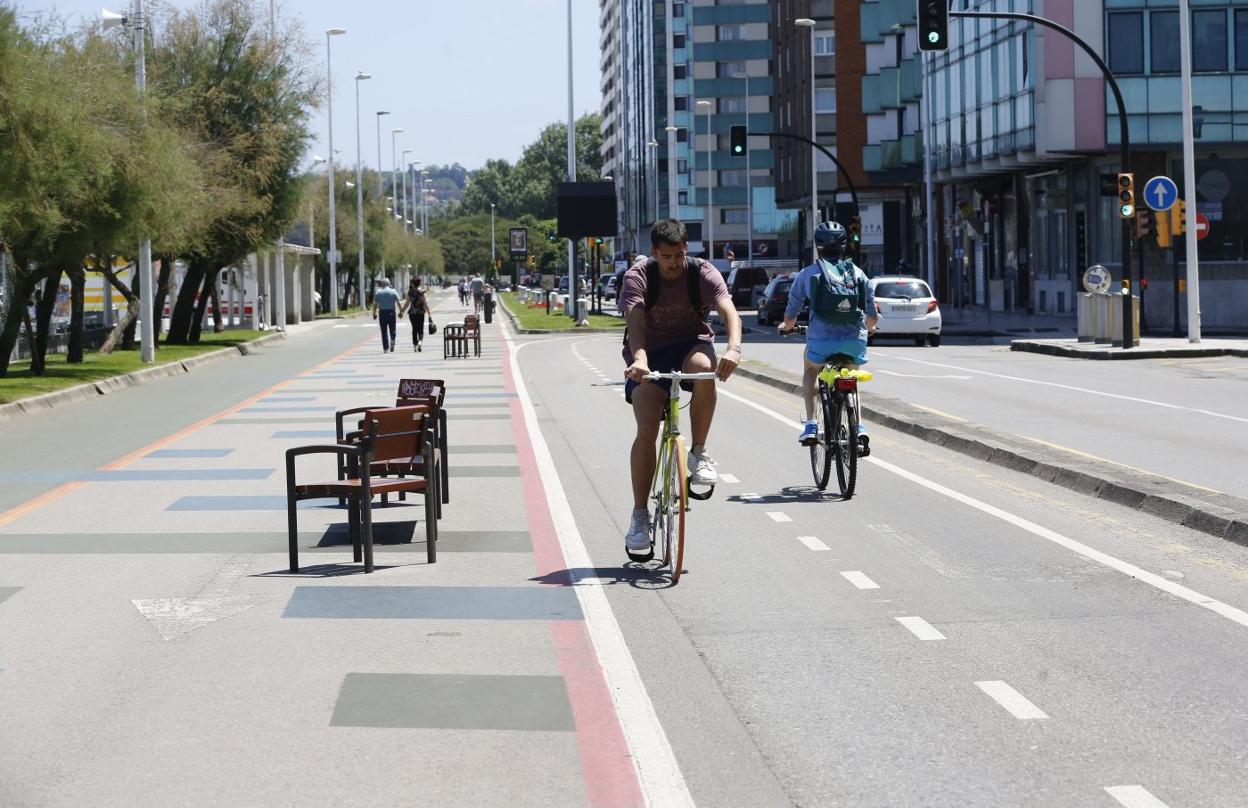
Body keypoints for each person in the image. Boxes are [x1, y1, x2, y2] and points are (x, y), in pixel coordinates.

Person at [620, 219, 743, 559]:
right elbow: (636, 321)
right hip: (649, 352)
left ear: (686, 249)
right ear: (654, 253)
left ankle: (698, 452)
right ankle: (640, 516)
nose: (673, 263)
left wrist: (733, 349)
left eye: (678, 255)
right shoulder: (639, 276)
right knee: (647, 429)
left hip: (691, 345)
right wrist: (640, 359)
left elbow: (729, 311)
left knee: (705, 370)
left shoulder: (702, 272)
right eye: (666, 257)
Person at [779, 222, 878, 453]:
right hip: (854, 342)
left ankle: (811, 424)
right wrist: (871, 328)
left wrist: (787, 326)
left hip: (820, 342)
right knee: (851, 376)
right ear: (844, 245)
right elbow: (872, 317)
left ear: (817, 246)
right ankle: (859, 426)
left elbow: (792, 312)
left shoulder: (808, 274)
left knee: (810, 369)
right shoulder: (858, 273)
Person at [401, 277, 432, 352]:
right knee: (420, 328)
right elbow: (425, 304)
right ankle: (420, 342)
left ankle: (415, 345)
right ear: (419, 283)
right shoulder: (422, 292)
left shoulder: (410, 292)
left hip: (412, 313)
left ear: (413, 283)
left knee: (414, 329)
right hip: (420, 313)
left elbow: (407, 303)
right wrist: (429, 314)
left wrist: (402, 311)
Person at [372, 277, 401, 353]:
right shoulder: (393, 291)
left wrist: (374, 313)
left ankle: (385, 348)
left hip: (382, 313)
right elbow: (398, 302)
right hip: (391, 312)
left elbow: (375, 304)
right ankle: (392, 339)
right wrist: (401, 311)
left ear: (382, 284)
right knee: (393, 329)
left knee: (384, 331)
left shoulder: (378, 292)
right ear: (389, 284)